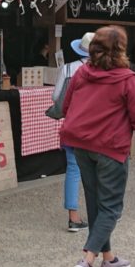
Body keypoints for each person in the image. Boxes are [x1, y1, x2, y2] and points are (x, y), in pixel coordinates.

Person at [61, 26, 135, 267]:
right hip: (110, 147)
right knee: (112, 206)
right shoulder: (127, 78)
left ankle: (109, 259)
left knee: (95, 203)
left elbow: (67, 105)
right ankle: (87, 260)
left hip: (79, 143)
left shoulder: (82, 72)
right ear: (122, 49)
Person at [52, 32, 95, 232]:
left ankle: (73, 217)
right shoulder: (104, 69)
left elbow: (56, 97)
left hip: (73, 125)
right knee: (101, 169)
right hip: (98, 127)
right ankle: (102, 212)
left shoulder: (68, 68)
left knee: (73, 169)